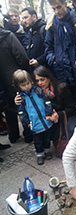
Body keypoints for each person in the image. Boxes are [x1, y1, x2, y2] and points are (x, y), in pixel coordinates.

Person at [15, 65, 76, 141]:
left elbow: (71, 108)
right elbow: (24, 95)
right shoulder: (35, 92)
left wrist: (58, 115)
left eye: (42, 80)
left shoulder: (61, 88)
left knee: (71, 128)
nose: (39, 83)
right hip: (49, 120)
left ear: (49, 79)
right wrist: (17, 101)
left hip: (66, 116)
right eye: (37, 81)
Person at [45, 0, 76, 117]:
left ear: (65, 4)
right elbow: (48, 46)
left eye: (58, 7)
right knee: (69, 107)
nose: (57, 11)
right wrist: (54, 59)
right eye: (53, 9)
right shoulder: (52, 25)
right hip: (61, 71)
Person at [13, 69, 53, 165]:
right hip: (34, 124)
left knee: (47, 138)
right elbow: (21, 113)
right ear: (18, 86)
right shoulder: (21, 98)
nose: (26, 86)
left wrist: (48, 113)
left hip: (45, 120)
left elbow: (47, 102)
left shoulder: (37, 90)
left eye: (28, 83)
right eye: (23, 85)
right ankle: (40, 154)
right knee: (38, 142)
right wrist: (27, 124)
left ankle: (47, 151)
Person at [0, 14, 30, 143]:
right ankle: (28, 134)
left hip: (2, 83)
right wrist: (25, 74)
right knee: (23, 105)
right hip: (15, 77)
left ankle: (13, 135)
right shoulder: (8, 36)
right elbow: (22, 57)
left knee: (9, 108)